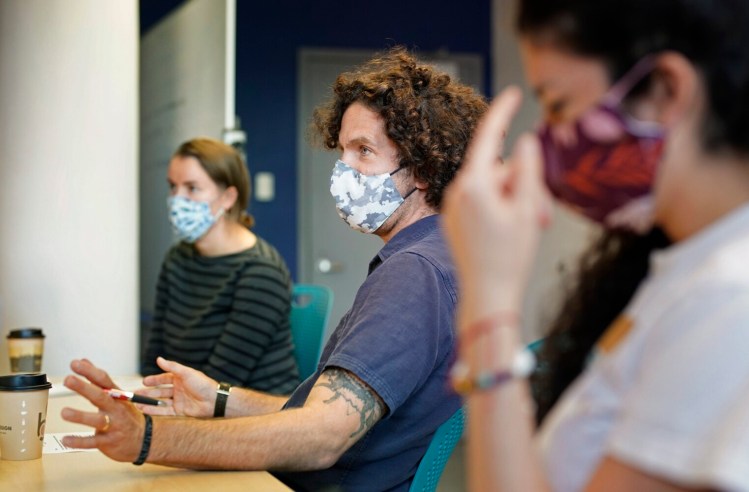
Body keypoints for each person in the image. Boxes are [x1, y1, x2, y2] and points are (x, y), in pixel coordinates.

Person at [60, 48, 487, 491]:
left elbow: (322, 436)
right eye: (342, 151)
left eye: (364, 151)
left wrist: (148, 438)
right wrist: (221, 399)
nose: (345, 171)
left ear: (422, 168)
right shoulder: (439, 255)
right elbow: (326, 412)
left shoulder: (414, 273)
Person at [441, 0, 749, 491]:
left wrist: (489, 299)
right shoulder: (681, 267)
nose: (547, 141)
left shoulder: (729, 298)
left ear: (667, 89)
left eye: (559, 105)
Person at [142, 137, 298, 394]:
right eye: (173, 186)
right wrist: (144, 396)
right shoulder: (177, 258)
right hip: (187, 403)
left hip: (249, 413)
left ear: (227, 197)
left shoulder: (261, 272)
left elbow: (221, 381)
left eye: (192, 188)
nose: (177, 199)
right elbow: (155, 358)